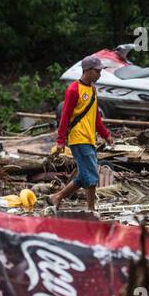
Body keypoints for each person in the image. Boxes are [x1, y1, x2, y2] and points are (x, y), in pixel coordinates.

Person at [50, 54, 112, 212]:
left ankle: (57, 197)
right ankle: (91, 209)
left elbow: (96, 118)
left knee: (85, 175)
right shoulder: (73, 90)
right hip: (78, 138)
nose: (100, 74)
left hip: (90, 139)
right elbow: (64, 117)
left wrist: (106, 135)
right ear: (88, 70)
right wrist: (60, 141)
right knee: (92, 176)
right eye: (97, 71)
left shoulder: (92, 89)